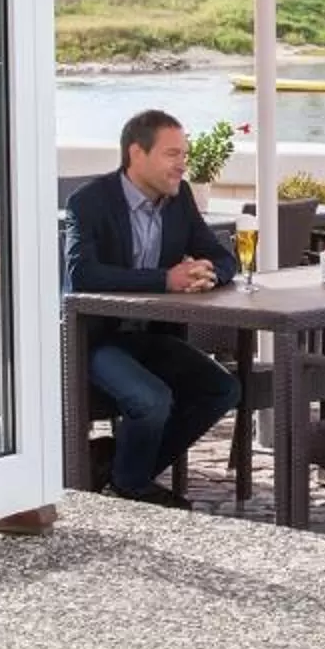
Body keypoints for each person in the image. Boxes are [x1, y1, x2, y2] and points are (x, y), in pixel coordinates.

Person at [63, 110, 240, 508]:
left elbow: (223, 256)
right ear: (136, 153)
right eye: (172, 154)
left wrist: (209, 273)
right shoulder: (88, 202)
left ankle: (122, 472)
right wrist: (165, 280)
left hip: (151, 336)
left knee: (222, 389)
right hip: (93, 339)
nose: (182, 164)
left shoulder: (180, 199)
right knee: (152, 400)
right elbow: (82, 274)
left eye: (185, 155)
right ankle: (133, 487)